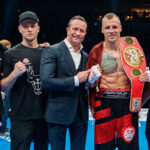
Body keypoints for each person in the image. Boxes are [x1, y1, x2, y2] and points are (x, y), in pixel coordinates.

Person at [86, 13, 147, 150]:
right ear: (102, 30)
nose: (111, 30)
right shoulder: (96, 50)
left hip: (126, 104)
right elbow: (89, 84)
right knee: (103, 146)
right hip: (104, 103)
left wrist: (137, 103)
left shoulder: (133, 50)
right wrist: (92, 79)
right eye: (107, 27)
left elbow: (142, 78)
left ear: (120, 28)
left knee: (129, 145)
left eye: (114, 27)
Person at [40, 15, 90, 150]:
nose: (78, 33)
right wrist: (75, 80)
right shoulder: (52, 50)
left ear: (85, 33)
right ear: (68, 30)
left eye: (82, 30)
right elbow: (46, 81)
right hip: (58, 113)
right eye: (75, 29)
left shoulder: (86, 56)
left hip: (81, 113)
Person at [0, 11, 48, 150]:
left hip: (44, 115)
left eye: (32, 26)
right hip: (21, 116)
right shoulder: (11, 54)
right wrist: (14, 74)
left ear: (38, 28)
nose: (29, 29)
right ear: (19, 29)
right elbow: (3, 87)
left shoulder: (47, 52)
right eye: (25, 26)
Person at [0, 39, 11, 135]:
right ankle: (1, 128)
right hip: (2, 89)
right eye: (7, 48)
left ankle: (3, 127)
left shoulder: (7, 61)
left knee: (6, 108)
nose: (8, 51)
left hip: (8, 88)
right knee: (3, 108)